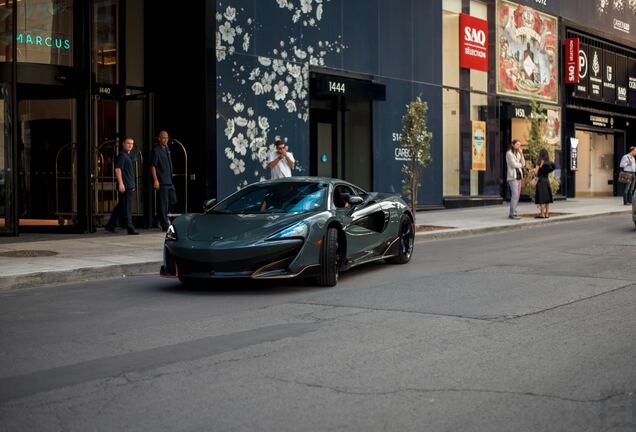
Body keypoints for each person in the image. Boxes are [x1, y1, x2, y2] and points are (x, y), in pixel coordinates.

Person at [105, 137, 139, 234]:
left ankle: (110, 224)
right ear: (123, 144)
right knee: (127, 207)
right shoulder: (122, 155)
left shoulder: (127, 156)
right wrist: (121, 184)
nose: (130, 145)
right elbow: (117, 169)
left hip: (128, 185)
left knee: (121, 206)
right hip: (125, 185)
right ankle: (130, 227)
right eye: (128, 143)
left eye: (132, 144)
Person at [151, 130, 176, 231]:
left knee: (173, 200)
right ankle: (165, 225)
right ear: (159, 138)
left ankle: (158, 218)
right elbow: (153, 166)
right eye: (163, 138)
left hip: (169, 180)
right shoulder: (156, 150)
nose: (165, 140)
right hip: (162, 181)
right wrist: (155, 180)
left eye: (167, 138)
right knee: (163, 204)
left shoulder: (167, 148)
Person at [506, 139, 525, 220]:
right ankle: (512, 213)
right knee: (515, 195)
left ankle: (513, 212)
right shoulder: (509, 153)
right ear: (513, 145)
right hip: (512, 177)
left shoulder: (518, 154)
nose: (518, 146)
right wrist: (520, 164)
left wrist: (521, 153)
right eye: (517, 144)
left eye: (519, 145)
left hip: (519, 176)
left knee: (517, 196)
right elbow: (513, 165)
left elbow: (523, 164)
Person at [533, 148, 555, 219]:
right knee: (547, 198)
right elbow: (552, 168)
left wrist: (535, 170)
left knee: (542, 198)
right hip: (546, 180)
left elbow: (536, 173)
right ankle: (547, 214)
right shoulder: (549, 163)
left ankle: (542, 214)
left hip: (540, 181)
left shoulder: (539, 162)